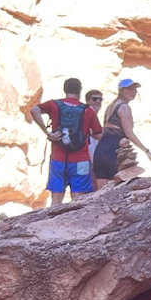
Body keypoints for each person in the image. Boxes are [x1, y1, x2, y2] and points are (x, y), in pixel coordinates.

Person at [29, 77, 102, 205]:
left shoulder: (54, 105)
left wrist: (48, 133)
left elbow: (34, 110)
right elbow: (98, 134)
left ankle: (52, 224)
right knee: (78, 198)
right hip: (81, 160)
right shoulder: (88, 110)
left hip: (58, 159)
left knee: (56, 199)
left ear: (64, 90)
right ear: (80, 91)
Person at [93, 77, 151, 189]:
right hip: (114, 150)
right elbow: (129, 133)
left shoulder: (111, 106)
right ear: (121, 90)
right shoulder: (124, 107)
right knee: (119, 191)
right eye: (129, 89)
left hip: (100, 149)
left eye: (135, 89)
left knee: (101, 192)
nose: (133, 92)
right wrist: (146, 151)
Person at [84, 90, 104, 162]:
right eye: (94, 99)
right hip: (85, 155)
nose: (98, 101)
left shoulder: (96, 117)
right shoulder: (85, 114)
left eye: (100, 99)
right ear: (87, 101)